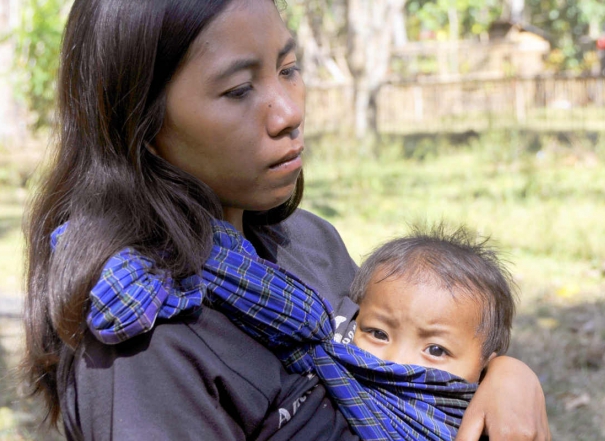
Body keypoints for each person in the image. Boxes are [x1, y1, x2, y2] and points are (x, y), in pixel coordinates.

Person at [20, 0, 550, 440]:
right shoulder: (146, 340)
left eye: (289, 69)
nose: (288, 112)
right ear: (140, 119)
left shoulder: (307, 241)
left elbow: (407, 364)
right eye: (238, 90)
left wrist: (505, 375)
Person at [350, 224, 516, 385]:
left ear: (483, 370)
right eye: (379, 334)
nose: (396, 362)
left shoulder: (476, 412)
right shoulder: (334, 379)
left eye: (436, 350)